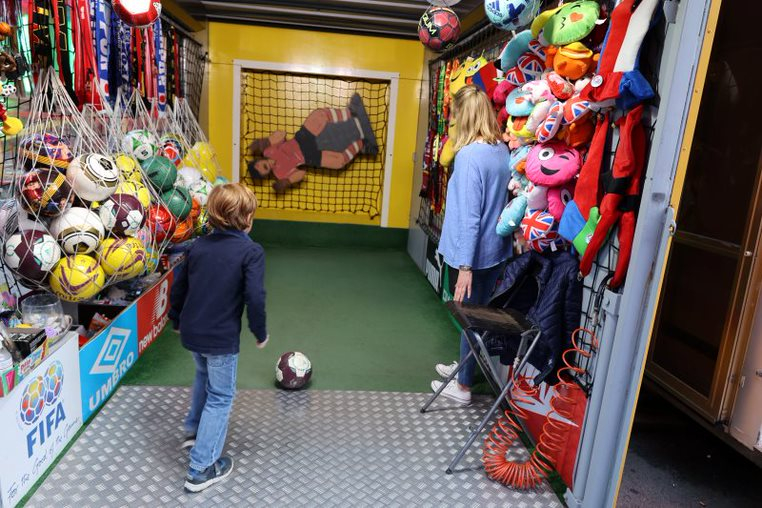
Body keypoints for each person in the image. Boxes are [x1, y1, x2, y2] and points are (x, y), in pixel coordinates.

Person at [169, 183, 269, 493]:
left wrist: (176, 319)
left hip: (192, 331)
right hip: (220, 339)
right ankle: (201, 468)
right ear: (248, 218)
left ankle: (194, 431)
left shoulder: (197, 246)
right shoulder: (251, 251)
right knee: (221, 397)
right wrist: (259, 331)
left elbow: (179, 286)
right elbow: (255, 296)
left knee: (203, 375)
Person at [431, 85, 512, 406]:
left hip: (472, 256)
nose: (453, 121)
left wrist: (465, 266)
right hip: (495, 252)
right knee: (478, 314)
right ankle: (463, 368)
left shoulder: (468, 157)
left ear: (465, 117)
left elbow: (469, 217)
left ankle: (463, 387)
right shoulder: (500, 150)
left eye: (455, 116)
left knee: (468, 317)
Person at [247, 93, 378, 192]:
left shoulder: (268, 151)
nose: (264, 167)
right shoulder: (279, 174)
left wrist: (267, 141)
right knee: (338, 162)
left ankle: (350, 112)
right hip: (308, 156)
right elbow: (301, 173)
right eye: (262, 171)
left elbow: (282, 133)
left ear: (258, 161)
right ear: (265, 176)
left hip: (302, 139)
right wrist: (288, 181)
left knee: (319, 115)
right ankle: (362, 143)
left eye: (260, 165)